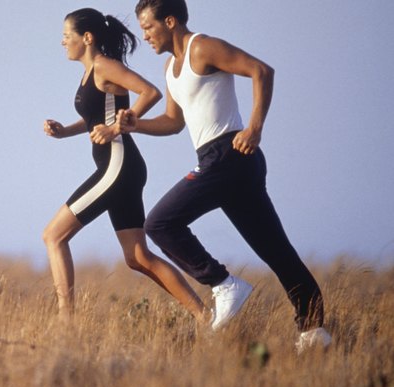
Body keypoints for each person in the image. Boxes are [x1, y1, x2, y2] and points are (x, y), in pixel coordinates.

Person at [111, 0, 331, 351]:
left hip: (230, 154)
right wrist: (137, 125)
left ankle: (223, 283)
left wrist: (255, 128)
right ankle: (313, 332)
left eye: (148, 27)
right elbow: (173, 122)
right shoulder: (171, 68)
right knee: (275, 250)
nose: (145, 36)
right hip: (223, 161)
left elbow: (262, 71)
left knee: (159, 223)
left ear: (170, 21)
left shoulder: (203, 47)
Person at [42, 8, 208, 323]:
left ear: (86, 38)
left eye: (67, 35)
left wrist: (118, 128)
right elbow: (96, 119)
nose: (63, 42)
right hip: (123, 169)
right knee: (137, 257)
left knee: (53, 236)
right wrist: (65, 130)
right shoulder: (91, 71)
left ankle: (66, 323)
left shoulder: (105, 66)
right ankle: (204, 318)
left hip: (117, 167)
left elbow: (151, 92)